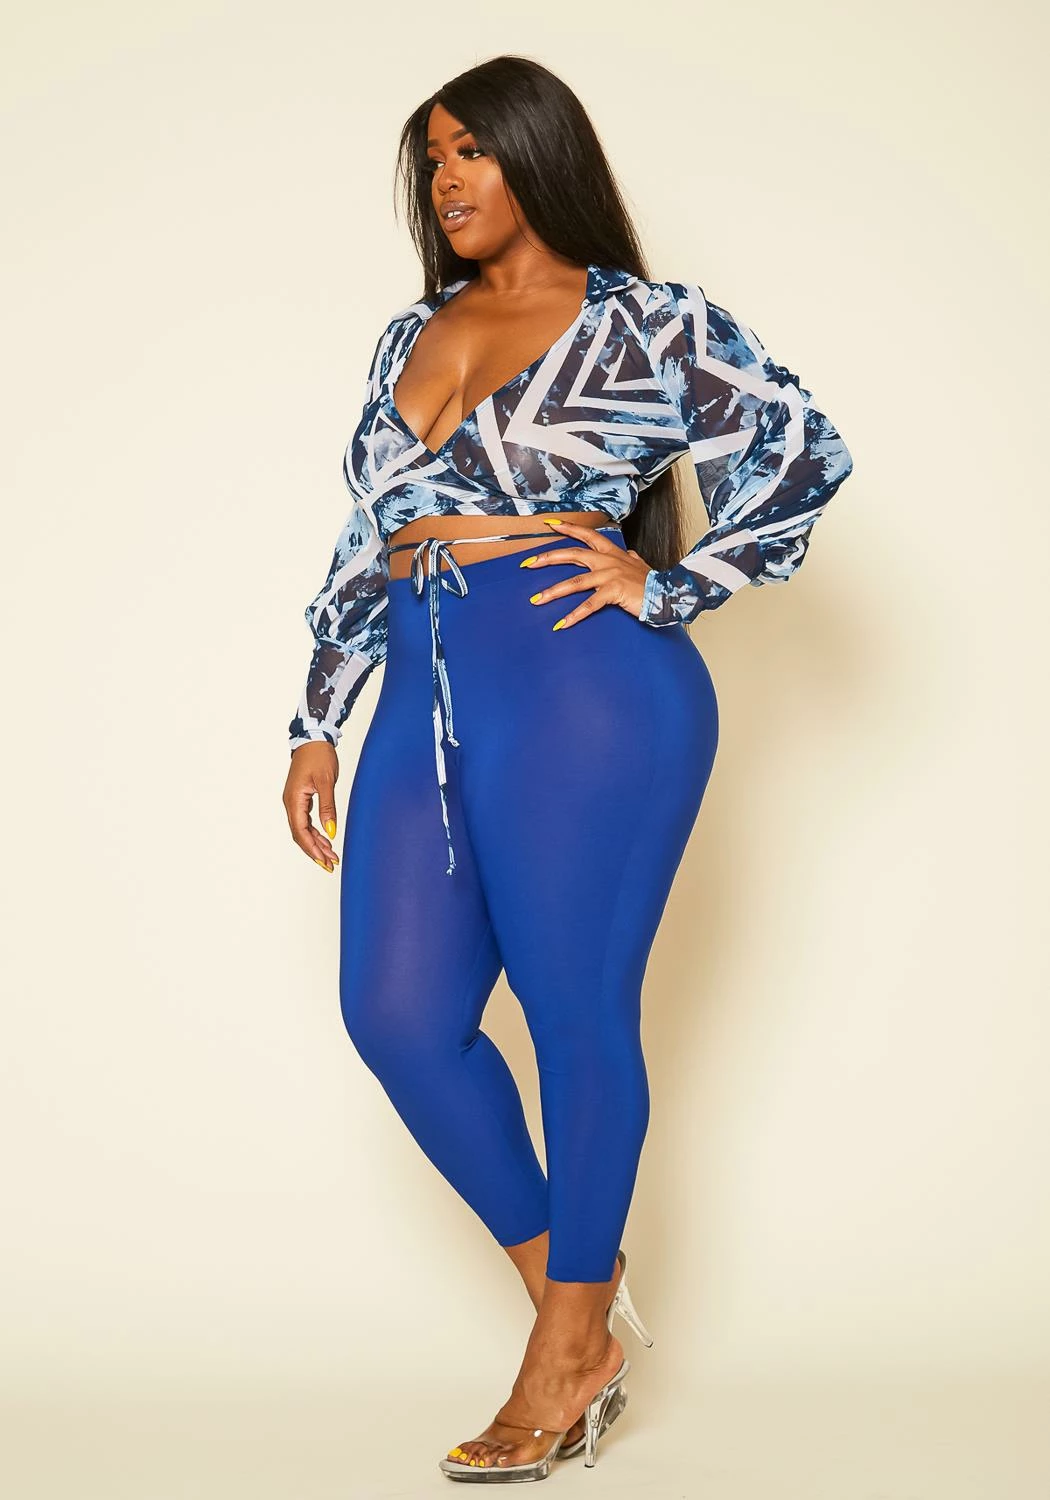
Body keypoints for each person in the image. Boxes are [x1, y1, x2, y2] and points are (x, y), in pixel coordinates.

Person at [282, 53, 854, 1484]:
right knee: (398, 1016)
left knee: (572, 1010)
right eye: (431, 158)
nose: (447, 179)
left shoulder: (648, 324)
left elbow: (804, 451)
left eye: (472, 149)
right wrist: (315, 717)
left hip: (587, 693)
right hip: (423, 695)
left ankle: (561, 1352)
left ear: (540, 154)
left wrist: (670, 583)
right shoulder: (407, 335)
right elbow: (368, 535)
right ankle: (575, 1310)